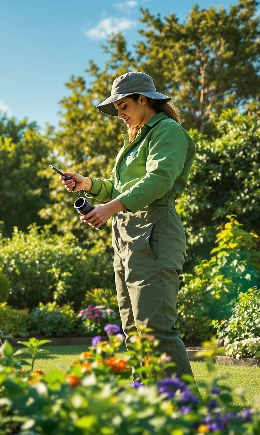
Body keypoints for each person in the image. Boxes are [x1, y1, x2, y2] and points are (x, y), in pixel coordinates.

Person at [59, 72, 195, 378]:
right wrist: (87, 184)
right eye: (117, 109)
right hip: (125, 237)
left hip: (154, 232)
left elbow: (159, 180)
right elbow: (122, 189)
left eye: (123, 107)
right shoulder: (135, 139)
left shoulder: (166, 131)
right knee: (133, 328)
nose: (119, 115)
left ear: (142, 100)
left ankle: (182, 405)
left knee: (156, 328)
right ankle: (144, 395)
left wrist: (108, 208)